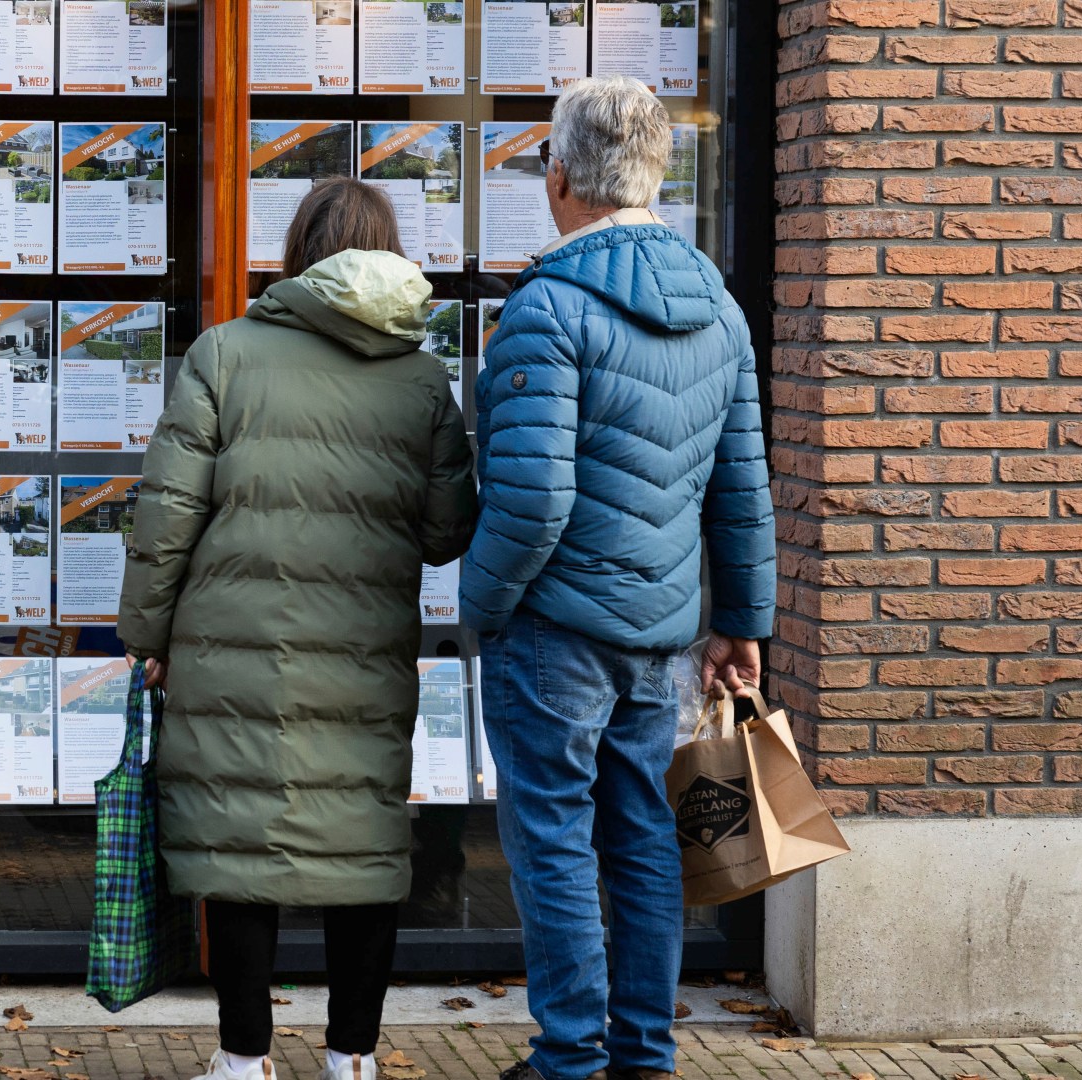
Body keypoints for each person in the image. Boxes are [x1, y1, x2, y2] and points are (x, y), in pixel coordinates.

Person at [118, 177, 477, 1080]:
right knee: (360, 845)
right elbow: (446, 534)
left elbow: (166, 518)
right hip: (362, 657)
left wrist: (147, 637)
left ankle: (243, 1061)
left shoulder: (224, 354)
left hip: (231, 654)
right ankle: (351, 1058)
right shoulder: (422, 378)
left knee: (241, 845)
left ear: (297, 253)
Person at [459, 76, 775, 1080]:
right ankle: (643, 1054)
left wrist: (481, 609)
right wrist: (742, 620)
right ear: (655, 177)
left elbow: (530, 504)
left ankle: (568, 1059)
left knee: (552, 838)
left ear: (559, 176)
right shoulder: (718, 308)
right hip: (662, 629)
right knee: (641, 833)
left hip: (552, 629)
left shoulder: (548, 308)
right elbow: (742, 487)